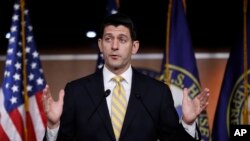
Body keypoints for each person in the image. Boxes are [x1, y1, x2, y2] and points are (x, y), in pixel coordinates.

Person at [42, 13, 209, 141]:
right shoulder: (76, 91)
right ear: (101, 44)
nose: (114, 46)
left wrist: (187, 123)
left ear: (134, 47)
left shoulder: (157, 93)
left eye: (122, 40)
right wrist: (53, 125)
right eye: (108, 39)